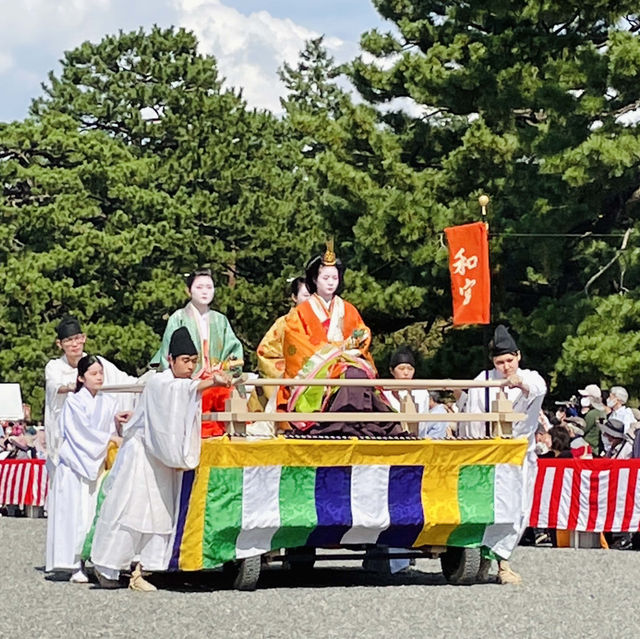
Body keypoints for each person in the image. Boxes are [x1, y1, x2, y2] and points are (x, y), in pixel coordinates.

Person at [91, 327, 232, 591]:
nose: (189, 366)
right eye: (184, 361)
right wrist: (212, 382)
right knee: (129, 509)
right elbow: (182, 391)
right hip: (141, 455)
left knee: (158, 514)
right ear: (170, 360)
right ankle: (107, 566)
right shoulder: (159, 382)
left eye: (193, 361)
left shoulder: (181, 383)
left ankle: (143, 569)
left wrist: (214, 380)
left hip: (159, 459)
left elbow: (188, 389)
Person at [279, 241, 401, 437]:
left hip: (348, 361)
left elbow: (362, 333)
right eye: (325, 277)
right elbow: (297, 346)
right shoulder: (300, 313)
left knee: (357, 373)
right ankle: (333, 424)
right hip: (318, 369)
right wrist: (335, 352)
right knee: (347, 373)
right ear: (314, 279)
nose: (330, 282)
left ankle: (362, 424)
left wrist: (354, 345)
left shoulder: (348, 309)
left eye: (334, 277)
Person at [462, 325, 547, 585]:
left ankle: (503, 562)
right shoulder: (483, 380)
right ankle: (485, 560)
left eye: (510, 360)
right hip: (490, 453)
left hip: (520, 454)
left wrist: (519, 383)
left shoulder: (531, 377)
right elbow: (473, 417)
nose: (506, 366)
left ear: (518, 356)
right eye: (500, 362)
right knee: (488, 509)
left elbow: (537, 389)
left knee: (517, 509)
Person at [45, 355, 127, 582]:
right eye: (93, 373)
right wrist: (109, 437)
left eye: (100, 372)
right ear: (81, 377)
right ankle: (74, 564)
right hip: (75, 466)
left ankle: (93, 557)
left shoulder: (108, 402)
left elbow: (108, 428)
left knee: (93, 515)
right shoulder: (74, 401)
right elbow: (81, 433)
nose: (99, 377)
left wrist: (117, 423)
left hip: (96, 464)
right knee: (75, 515)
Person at [151, 268, 243, 438]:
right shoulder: (178, 318)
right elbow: (167, 353)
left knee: (230, 397)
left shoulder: (220, 319)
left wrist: (224, 371)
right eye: (199, 287)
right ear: (189, 290)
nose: (205, 292)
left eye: (209, 287)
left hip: (217, 378)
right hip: (190, 381)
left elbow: (233, 351)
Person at [44, 316, 141, 473]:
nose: (74, 344)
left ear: (84, 338)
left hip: (95, 435)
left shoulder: (96, 362)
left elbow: (125, 381)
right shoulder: (55, 366)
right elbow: (55, 386)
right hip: (67, 434)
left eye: (77, 338)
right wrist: (74, 386)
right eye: (68, 340)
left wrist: (151, 383)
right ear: (59, 344)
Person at [255, 277, 310, 403]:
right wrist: (290, 375)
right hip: (290, 381)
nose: (310, 300)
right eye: (306, 295)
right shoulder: (282, 324)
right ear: (294, 297)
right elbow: (265, 353)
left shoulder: (325, 325)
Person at [578, 384, 605, 455]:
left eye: (585, 397)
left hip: (589, 448)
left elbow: (582, 430)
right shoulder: (601, 411)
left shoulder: (592, 414)